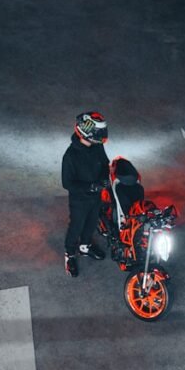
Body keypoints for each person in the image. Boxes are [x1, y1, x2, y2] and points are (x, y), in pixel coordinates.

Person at [62, 111, 109, 277]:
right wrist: (91, 187)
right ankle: (69, 254)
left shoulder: (97, 147)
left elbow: (105, 163)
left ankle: (85, 246)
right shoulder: (70, 156)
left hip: (95, 198)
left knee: (92, 223)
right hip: (79, 201)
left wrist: (104, 179)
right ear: (87, 133)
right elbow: (67, 183)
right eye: (99, 132)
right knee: (76, 226)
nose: (102, 136)